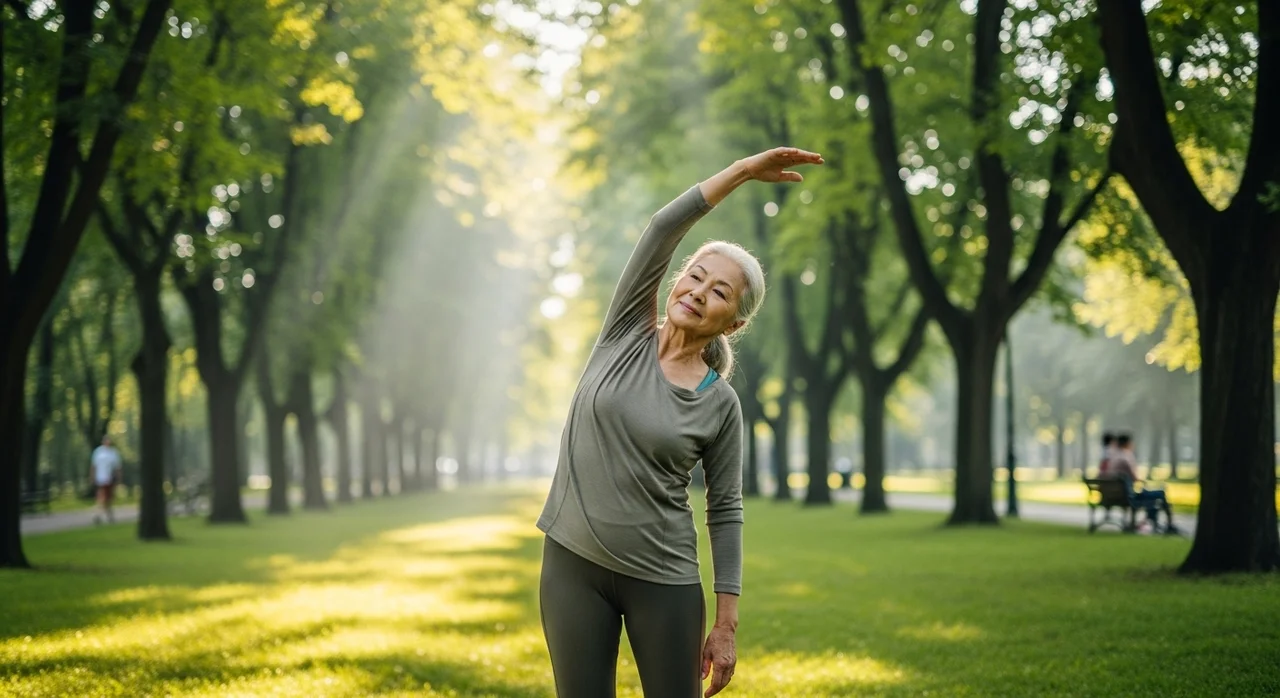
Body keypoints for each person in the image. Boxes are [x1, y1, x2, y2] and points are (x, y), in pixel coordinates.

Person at [536, 147, 823, 698]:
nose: (698, 292)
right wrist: (743, 172)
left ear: (732, 323)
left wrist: (726, 623)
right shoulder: (623, 333)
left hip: (663, 580)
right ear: (675, 283)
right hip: (571, 565)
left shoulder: (721, 404)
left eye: (720, 292)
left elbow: (726, 509)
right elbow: (663, 228)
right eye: (695, 276)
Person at [1109, 434, 1178, 534]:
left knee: (1152, 498)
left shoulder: (1113, 457)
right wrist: (1142, 481)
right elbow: (1134, 478)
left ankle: (1154, 522)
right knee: (1160, 494)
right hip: (1129, 496)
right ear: (1127, 443)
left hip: (1118, 494)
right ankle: (1168, 524)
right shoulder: (1126, 457)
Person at [90, 435, 123, 525]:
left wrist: (119, 478)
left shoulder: (113, 453)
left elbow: (117, 467)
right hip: (100, 478)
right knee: (102, 497)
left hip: (110, 478)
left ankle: (106, 516)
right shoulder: (98, 452)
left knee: (108, 498)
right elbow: (93, 466)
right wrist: (92, 477)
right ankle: (101, 515)